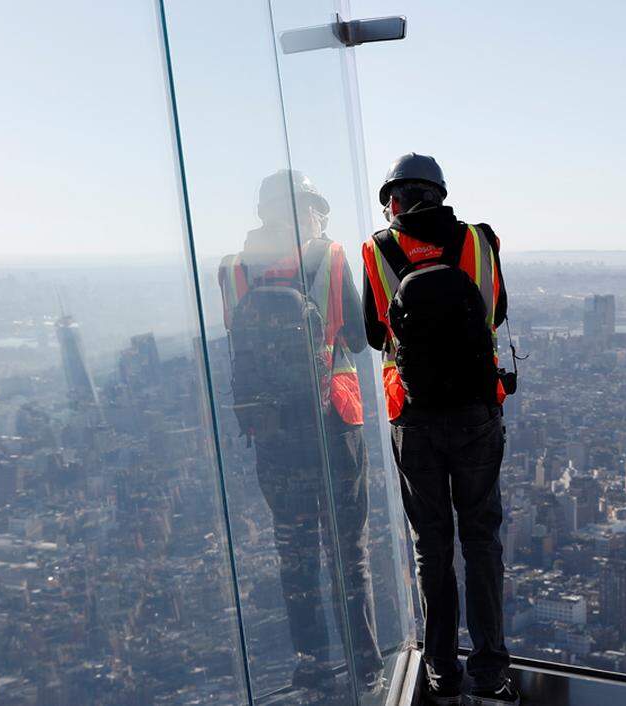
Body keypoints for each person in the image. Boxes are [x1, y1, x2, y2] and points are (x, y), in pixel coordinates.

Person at [361, 153, 518, 705]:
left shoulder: (378, 250)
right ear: (440, 193)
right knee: (481, 539)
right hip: (477, 411)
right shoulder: (479, 241)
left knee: (432, 546)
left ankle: (441, 673)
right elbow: (494, 314)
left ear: (395, 200)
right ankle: (492, 674)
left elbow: (377, 336)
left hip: (416, 419)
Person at [219, 170, 381, 697]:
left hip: (273, 434)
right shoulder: (330, 258)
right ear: (307, 209)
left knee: (295, 551)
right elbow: (359, 339)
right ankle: (365, 661)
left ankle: (310, 664)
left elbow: (239, 343)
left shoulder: (235, 270)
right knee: (347, 547)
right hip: (333, 423)